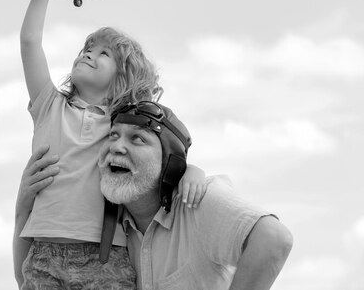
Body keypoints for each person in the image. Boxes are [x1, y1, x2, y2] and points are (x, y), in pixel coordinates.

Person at [15, 0, 208, 289]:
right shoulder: (49, 107)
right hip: (43, 255)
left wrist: (193, 172)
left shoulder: (124, 126)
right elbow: (29, 43)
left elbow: (166, 154)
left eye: (103, 54)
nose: (88, 53)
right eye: (88, 48)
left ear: (124, 77)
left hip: (105, 257)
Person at [19, 101, 293, 290]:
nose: (117, 147)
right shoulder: (110, 224)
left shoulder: (199, 201)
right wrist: (23, 207)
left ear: (169, 163)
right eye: (113, 135)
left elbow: (274, 239)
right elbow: (29, 274)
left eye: (137, 139)